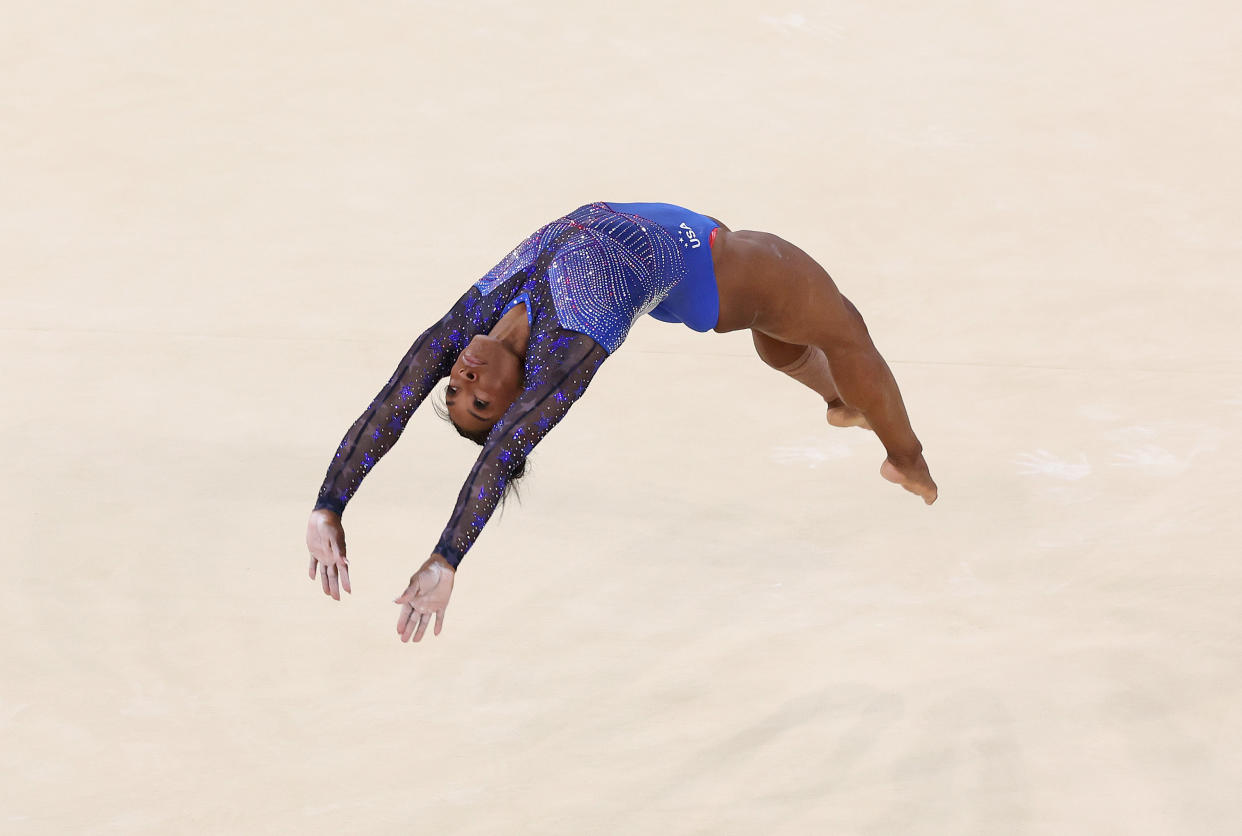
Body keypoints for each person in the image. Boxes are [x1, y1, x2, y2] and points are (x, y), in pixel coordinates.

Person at [305, 202, 937, 643]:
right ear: (519, 396)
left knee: (782, 342)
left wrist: (329, 506)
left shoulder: (475, 317)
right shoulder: (567, 347)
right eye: (482, 402)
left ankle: (837, 400)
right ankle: (907, 462)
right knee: (848, 335)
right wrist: (446, 560)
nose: (464, 379)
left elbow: (391, 400)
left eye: (456, 388)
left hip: (687, 249)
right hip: (721, 269)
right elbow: (500, 456)